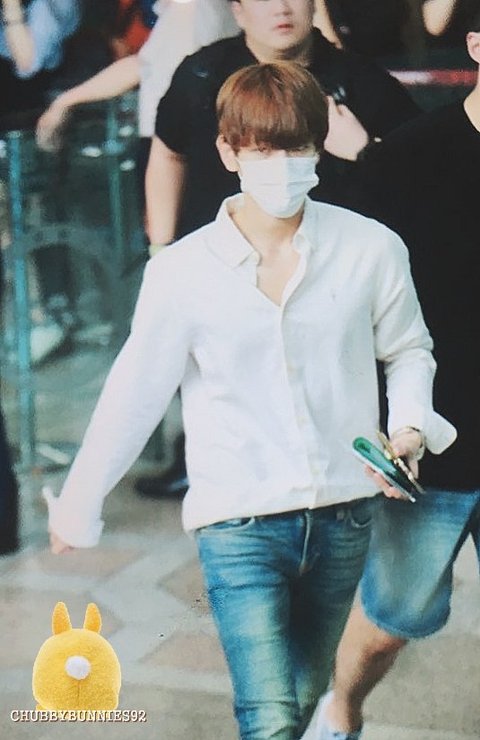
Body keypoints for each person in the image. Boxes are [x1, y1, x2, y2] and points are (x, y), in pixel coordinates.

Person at [45, 61, 455, 740]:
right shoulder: (182, 272)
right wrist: (79, 503)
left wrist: (408, 427)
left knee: (303, 691)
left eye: (298, 148)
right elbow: (133, 394)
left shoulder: (370, 248)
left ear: (319, 148)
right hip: (238, 520)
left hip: (342, 510)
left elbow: (409, 349)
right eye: (263, 150)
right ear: (228, 151)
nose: (282, 168)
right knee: (267, 714)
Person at [141, 0, 421, 498]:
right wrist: (160, 247)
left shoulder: (360, 81)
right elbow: (168, 153)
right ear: (238, 10)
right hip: (225, 266)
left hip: (328, 276)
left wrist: (363, 150)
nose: (282, 8)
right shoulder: (202, 74)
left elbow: (421, 179)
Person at [311, 13, 480, 740]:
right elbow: (348, 305)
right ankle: (342, 705)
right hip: (432, 437)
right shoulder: (409, 157)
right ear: (475, 46)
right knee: (391, 620)